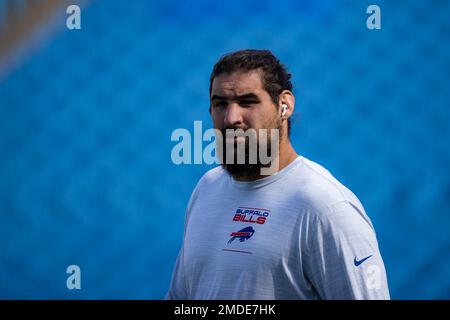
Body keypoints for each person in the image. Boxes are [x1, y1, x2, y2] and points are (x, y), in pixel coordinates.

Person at [166, 49, 390, 299]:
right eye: (220, 104)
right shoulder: (206, 189)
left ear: (285, 106)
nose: (231, 118)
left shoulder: (325, 206)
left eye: (247, 102)